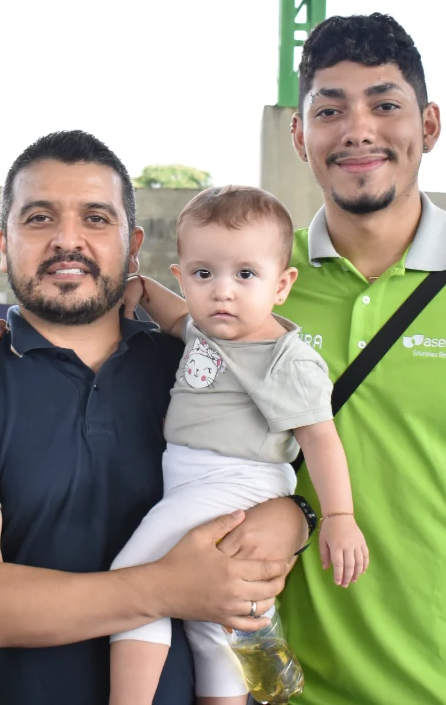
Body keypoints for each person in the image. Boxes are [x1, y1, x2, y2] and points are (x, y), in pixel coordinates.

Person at [0, 15, 446, 705]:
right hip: (286, 690)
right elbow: (95, 325)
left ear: (430, 124)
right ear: (301, 135)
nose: (357, 128)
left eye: (385, 104)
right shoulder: (242, 274)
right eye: (331, 109)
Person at [0, 131, 314, 705]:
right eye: (40, 217)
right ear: (2, 243)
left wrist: (297, 518)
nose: (68, 240)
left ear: (134, 244)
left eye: (96, 218)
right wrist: (167, 588)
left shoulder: (196, 368)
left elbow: (291, 468)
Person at [109, 185, 368, 705]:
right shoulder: (209, 328)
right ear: (184, 278)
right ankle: (253, 636)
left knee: (132, 587)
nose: (223, 291)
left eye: (245, 274)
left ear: (282, 284)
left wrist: (339, 517)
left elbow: (320, 440)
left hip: (232, 484)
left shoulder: (283, 359)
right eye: (204, 274)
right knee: (216, 625)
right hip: (199, 483)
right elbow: (178, 318)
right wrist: (140, 287)